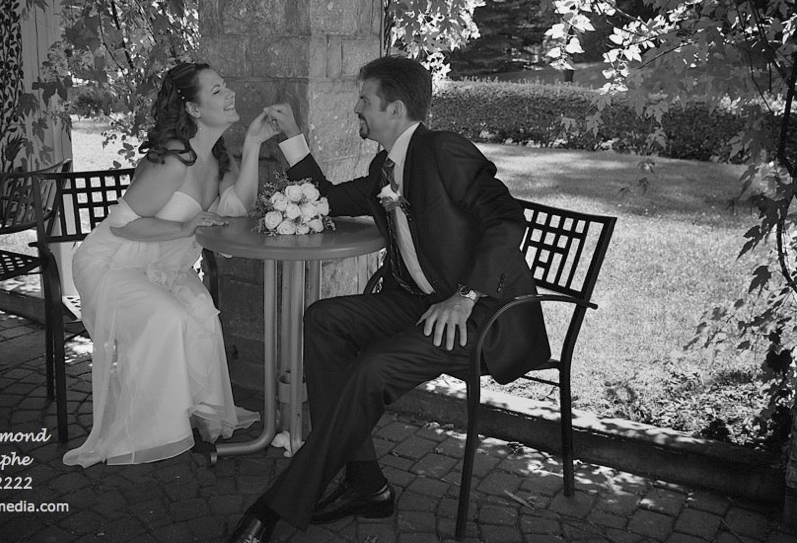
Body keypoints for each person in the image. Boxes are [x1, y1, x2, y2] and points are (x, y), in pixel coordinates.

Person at [226, 55, 549, 542]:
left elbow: (506, 221)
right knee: (324, 319)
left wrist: (465, 295)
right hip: (420, 302)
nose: (357, 107)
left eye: (364, 101)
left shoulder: (445, 151)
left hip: (481, 314)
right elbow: (327, 198)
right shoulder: (385, 167)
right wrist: (292, 135)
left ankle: (274, 508)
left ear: (395, 110)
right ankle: (366, 484)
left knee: (372, 368)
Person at [63, 62, 281, 468]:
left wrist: (251, 145)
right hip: (112, 266)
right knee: (169, 319)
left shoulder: (218, 156)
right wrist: (184, 225)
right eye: (217, 90)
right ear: (194, 109)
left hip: (164, 269)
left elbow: (235, 210)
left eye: (225, 84)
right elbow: (124, 226)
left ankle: (201, 415)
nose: (229, 92)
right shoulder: (173, 160)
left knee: (202, 315)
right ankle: (153, 431)